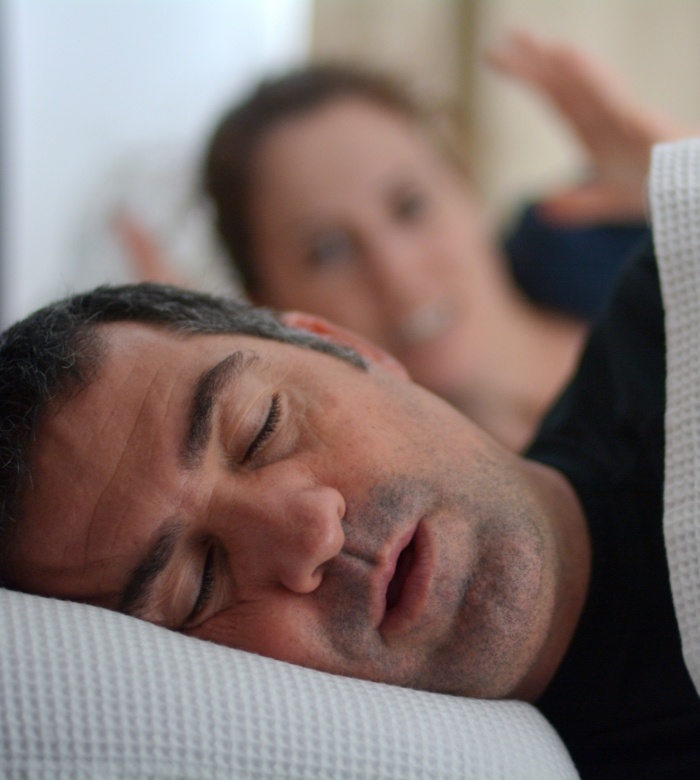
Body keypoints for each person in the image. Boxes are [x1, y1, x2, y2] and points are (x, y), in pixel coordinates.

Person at [1, 134, 700, 779]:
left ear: (344, 345)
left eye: (261, 428)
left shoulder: (675, 316)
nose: (311, 532)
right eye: (199, 587)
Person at [197, 30, 680, 451]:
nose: (396, 270)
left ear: (467, 187)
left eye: (410, 206)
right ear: (269, 311)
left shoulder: (630, 246)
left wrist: (687, 185)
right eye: (327, 251)